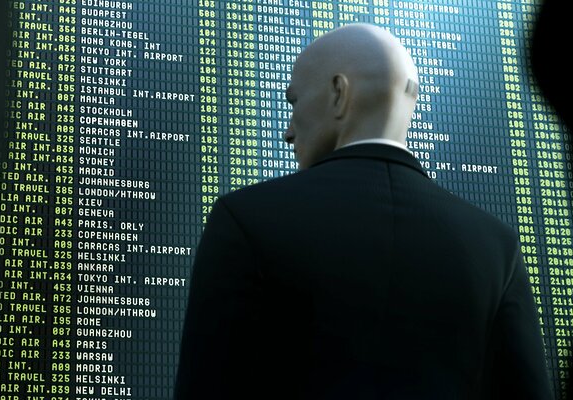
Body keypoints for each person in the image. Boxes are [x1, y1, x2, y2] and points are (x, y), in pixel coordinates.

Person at [175, 23, 552, 399]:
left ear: (339, 93)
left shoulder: (243, 219)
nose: (288, 131)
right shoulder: (497, 245)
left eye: (293, 103)